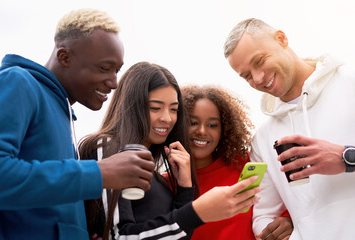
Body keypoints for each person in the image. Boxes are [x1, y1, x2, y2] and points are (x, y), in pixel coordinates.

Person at [0, 9, 155, 240]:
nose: (114, 83)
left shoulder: (64, 112)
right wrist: (99, 172)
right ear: (65, 57)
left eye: (117, 70)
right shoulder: (19, 83)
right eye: (104, 68)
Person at [79, 62, 262, 240]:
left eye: (174, 110)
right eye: (155, 108)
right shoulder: (107, 146)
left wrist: (184, 189)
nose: (167, 118)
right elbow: (117, 235)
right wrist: (198, 212)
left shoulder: (160, 178)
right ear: (132, 106)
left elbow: (177, 235)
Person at [223, 18, 355, 240]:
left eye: (260, 60)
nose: (257, 78)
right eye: (246, 76)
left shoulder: (349, 84)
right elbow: (262, 215)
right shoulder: (263, 139)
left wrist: (346, 158)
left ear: (281, 39)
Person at [181, 85, 293, 240]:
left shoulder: (248, 164)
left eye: (212, 125)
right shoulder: (166, 184)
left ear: (224, 130)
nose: (202, 131)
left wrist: (289, 219)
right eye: (192, 122)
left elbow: (296, 195)